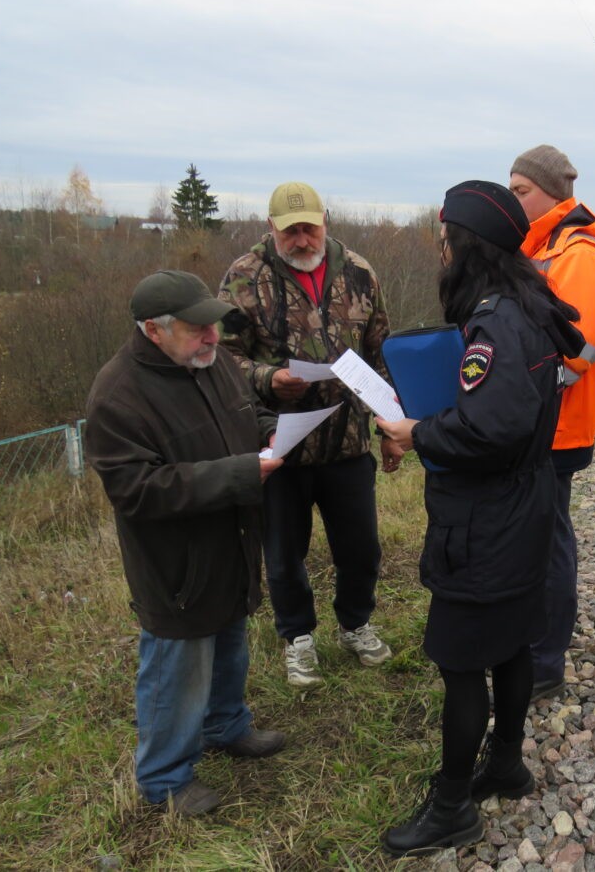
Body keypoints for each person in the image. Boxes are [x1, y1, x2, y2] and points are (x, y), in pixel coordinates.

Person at [376, 181, 584, 857]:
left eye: (443, 243)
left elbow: (488, 427)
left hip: (485, 520)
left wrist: (416, 432)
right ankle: (508, 762)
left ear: (464, 248)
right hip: (526, 505)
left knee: (462, 662)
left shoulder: (495, 323)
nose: (439, 255)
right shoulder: (531, 303)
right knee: (514, 643)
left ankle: (452, 804)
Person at [84, 270, 287, 816]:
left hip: (232, 538)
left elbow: (247, 413)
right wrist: (241, 473)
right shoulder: (117, 395)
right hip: (175, 563)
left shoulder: (213, 363)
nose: (213, 338)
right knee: (179, 659)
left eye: (213, 326)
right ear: (154, 330)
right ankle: (164, 778)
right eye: (197, 329)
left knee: (231, 638)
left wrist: (269, 431)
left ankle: (226, 725)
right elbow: (136, 490)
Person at [218, 182, 401, 688]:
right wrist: (267, 379)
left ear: (325, 221)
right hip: (280, 445)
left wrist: (390, 427)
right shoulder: (243, 277)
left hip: (347, 442)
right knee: (283, 553)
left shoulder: (360, 272)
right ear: (271, 228)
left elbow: (382, 352)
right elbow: (223, 356)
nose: (302, 240)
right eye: (290, 230)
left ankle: (355, 624)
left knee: (361, 547)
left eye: (309, 228)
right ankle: (298, 638)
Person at [509, 145, 595, 702]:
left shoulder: (578, 252)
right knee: (540, 534)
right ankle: (536, 643)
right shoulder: (547, 245)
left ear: (553, 193)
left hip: (559, 423)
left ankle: (545, 659)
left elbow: (578, 348)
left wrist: (515, 386)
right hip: (546, 420)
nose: (515, 200)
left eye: (521, 191)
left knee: (548, 538)